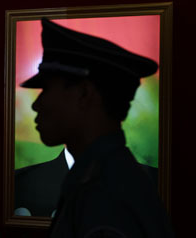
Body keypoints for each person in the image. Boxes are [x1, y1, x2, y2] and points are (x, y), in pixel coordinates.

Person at [20, 18, 174, 237]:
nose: (37, 103)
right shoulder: (108, 178)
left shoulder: (106, 193)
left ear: (84, 94)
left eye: (46, 89)